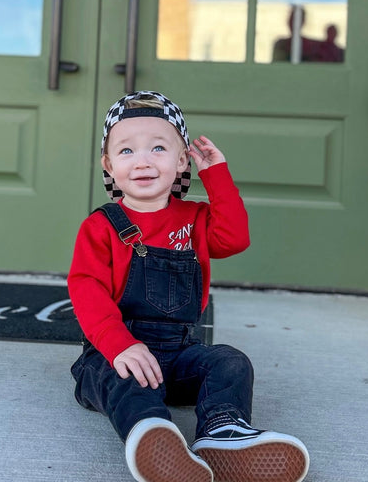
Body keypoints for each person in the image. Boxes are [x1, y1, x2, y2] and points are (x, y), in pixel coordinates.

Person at [67, 90, 310, 482]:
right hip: (114, 354)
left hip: (177, 354)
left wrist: (216, 173)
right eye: (127, 152)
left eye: (158, 148)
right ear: (109, 166)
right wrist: (119, 345)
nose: (143, 160)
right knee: (122, 383)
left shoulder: (194, 219)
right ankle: (153, 437)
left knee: (229, 361)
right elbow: (86, 289)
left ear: (182, 161)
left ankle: (222, 431)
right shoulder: (100, 226)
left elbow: (234, 238)